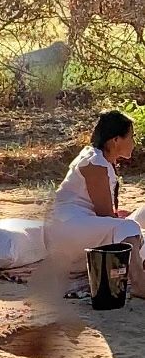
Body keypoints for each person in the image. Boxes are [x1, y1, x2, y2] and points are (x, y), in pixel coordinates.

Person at [44, 108, 145, 290]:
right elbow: (105, 214)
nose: (134, 141)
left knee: (137, 233)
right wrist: (131, 229)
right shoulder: (94, 163)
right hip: (67, 230)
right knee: (131, 228)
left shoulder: (101, 160)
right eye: (131, 136)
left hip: (82, 228)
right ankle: (139, 284)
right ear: (115, 140)